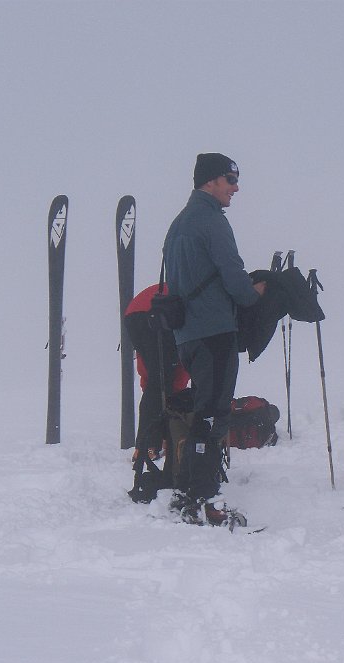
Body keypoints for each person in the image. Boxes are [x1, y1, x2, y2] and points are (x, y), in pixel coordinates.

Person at [163, 152, 265, 526]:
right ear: (210, 181)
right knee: (212, 416)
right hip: (214, 332)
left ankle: (187, 494)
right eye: (230, 179)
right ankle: (206, 502)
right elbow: (235, 280)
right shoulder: (211, 221)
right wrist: (257, 294)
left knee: (202, 414)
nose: (236, 188)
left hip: (187, 336)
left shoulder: (178, 225)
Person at [124, 283, 190, 463]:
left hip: (135, 312)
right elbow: (181, 373)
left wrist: (150, 385)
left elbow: (147, 366)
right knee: (162, 383)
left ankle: (147, 444)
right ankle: (151, 444)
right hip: (156, 312)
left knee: (157, 382)